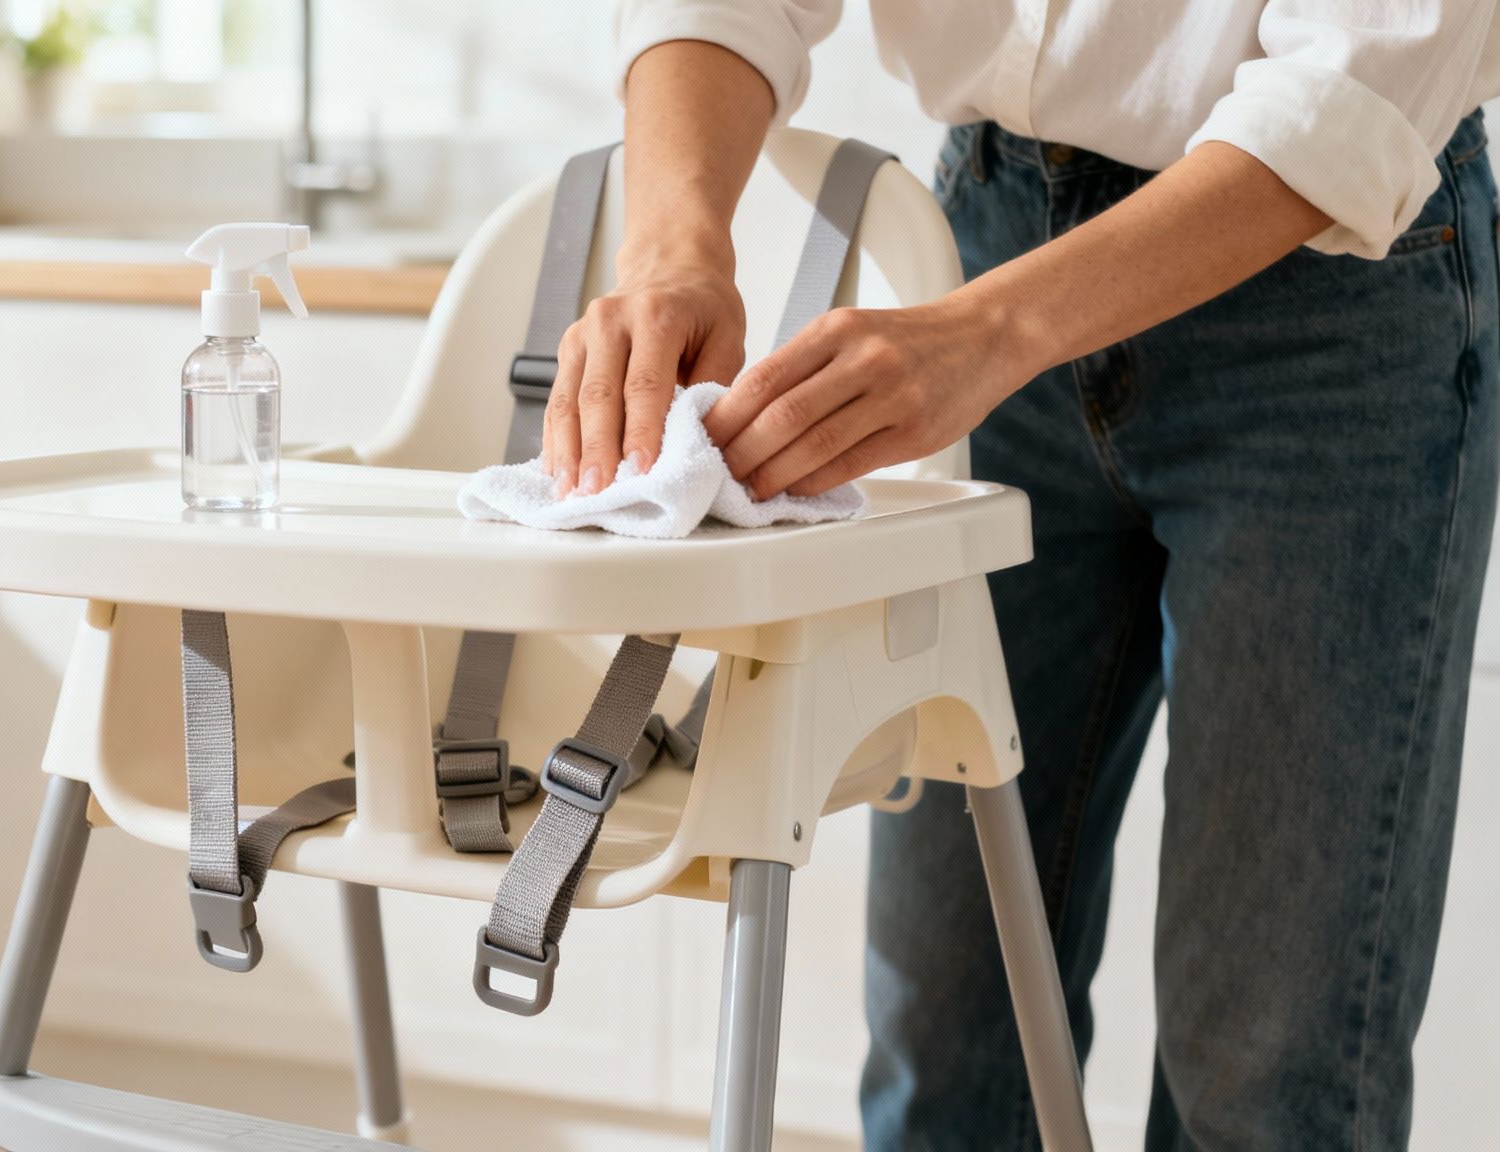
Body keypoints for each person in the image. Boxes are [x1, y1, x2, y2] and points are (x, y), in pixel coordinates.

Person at [549, 3, 1500, 1148]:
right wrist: (672, 253)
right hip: (986, 228)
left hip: (1323, 281)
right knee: (942, 1027)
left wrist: (986, 336)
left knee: (1264, 1070)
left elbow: (1360, 76)